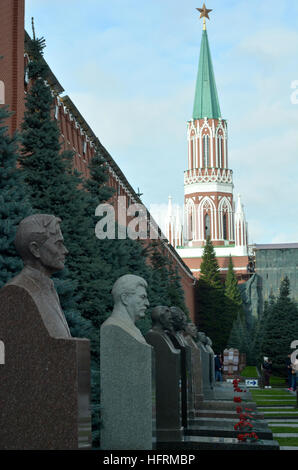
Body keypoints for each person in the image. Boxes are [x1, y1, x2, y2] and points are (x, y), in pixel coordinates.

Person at [7, 214, 71, 338]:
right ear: (35, 249)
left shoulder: (48, 287)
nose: (65, 250)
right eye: (58, 244)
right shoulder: (17, 291)